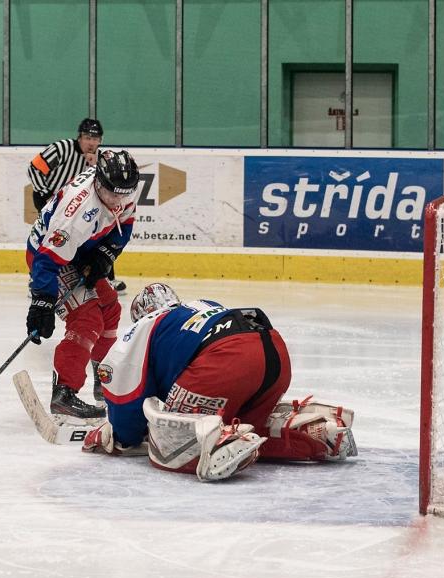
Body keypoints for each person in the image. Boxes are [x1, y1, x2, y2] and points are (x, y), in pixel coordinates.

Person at [81, 283, 357, 481]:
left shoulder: (143, 327)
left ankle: (220, 441)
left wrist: (119, 436)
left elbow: (124, 400)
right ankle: (317, 432)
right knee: (249, 422)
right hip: (273, 352)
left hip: (226, 360)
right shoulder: (200, 306)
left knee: (171, 444)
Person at [25, 149, 139, 420]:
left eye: (124, 193)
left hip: (81, 251)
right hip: (51, 259)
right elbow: (46, 261)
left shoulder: (121, 186)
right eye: (112, 194)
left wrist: (107, 252)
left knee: (110, 308)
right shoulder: (76, 213)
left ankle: (104, 377)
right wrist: (42, 302)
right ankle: (65, 393)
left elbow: (126, 220)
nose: (118, 200)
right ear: (98, 182)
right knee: (87, 320)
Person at [27, 118, 126, 293]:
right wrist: (46, 193)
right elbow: (34, 168)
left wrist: (93, 163)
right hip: (50, 199)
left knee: (96, 237)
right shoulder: (62, 148)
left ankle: (107, 277)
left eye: (96, 139)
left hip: (79, 205)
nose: (91, 142)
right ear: (79, 137)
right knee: (49, 235)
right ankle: (36, 278)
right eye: (88, 138)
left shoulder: (100, 158)